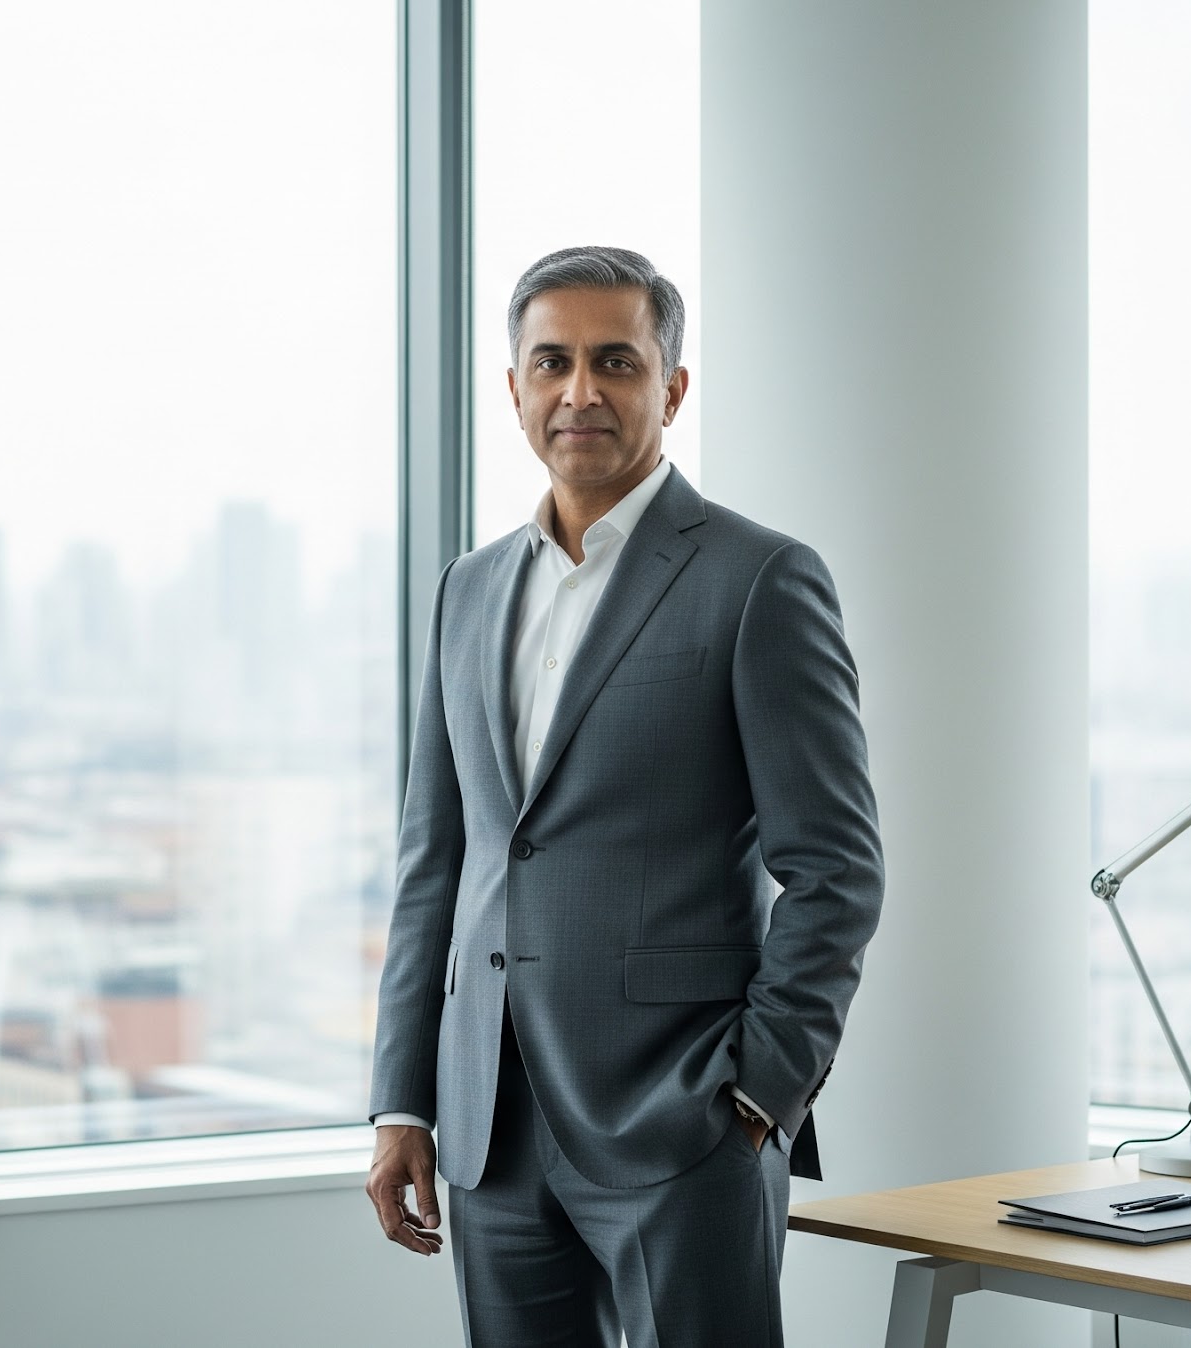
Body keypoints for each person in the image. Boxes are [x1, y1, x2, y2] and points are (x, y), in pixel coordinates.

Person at [362, 246, 884, 1346]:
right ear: (513, 390)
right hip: (489, 1130)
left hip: (680, 1124)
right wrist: (404, 1099)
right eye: (549, 362)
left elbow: (836, 868)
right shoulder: (467, 587)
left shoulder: (758, 579)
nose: (579, 390)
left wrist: (757, 1096)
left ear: (672, 388)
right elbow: (437, 861)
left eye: (616, 361)